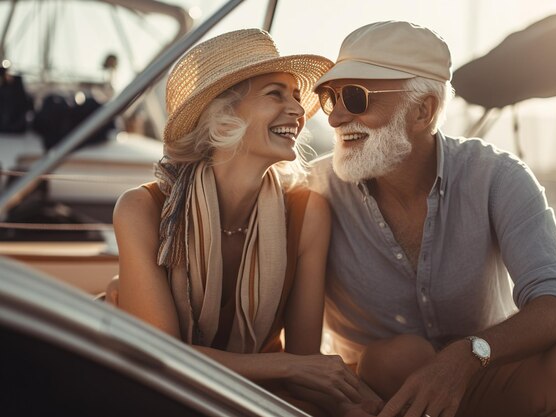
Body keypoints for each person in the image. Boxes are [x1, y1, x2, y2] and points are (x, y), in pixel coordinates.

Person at [309, 21, 556, 417]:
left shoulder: (496, 176)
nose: (335, 119)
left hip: (482, 372)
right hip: (373, 394)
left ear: (423, 111)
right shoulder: (313, 189)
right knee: (399, 358)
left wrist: (468, 354)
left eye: (355, 97)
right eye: (329, 98)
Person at [112, 29, 366, 416]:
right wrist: (286, 365)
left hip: (255, 398)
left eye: (297, 96)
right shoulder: (141, 209)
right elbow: (160, 356)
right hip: (155, 397)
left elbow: (307, 368)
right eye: (275, 94)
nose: (299, 112)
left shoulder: (307, 212)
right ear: (223, 113)